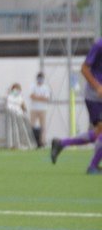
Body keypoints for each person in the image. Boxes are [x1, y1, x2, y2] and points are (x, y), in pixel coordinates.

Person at [50, 36, 102, 175]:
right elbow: (84, 69)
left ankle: (61, 143)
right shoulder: (99, 45)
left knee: (98, 133)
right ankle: (92, 167)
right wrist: (97, 87)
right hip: (95, 97)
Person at [29, 72, 52, 148]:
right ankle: (31, 141)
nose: (40, 80)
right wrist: (41, 98)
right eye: (39, 78)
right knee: (31, 125)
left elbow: (46, 98)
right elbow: (31, 96)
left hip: (43, 109)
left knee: (43, 126)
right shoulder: (33, 86)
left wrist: (37, 97)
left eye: (41, 78)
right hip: (34, 109)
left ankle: (42, 142)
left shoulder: (46, 87)